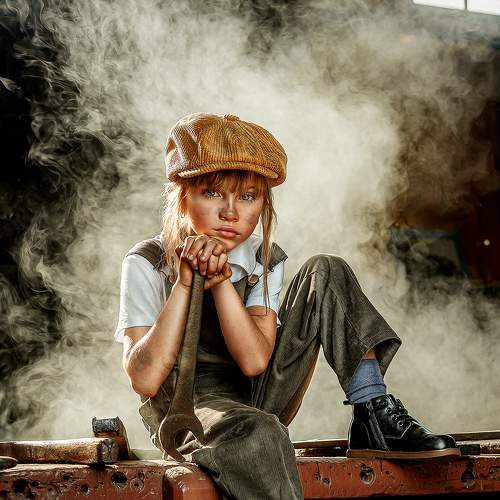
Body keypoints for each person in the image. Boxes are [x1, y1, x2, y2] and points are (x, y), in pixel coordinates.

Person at [114, 112, 459, 500]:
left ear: (263, 204)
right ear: (183, 197)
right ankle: (255, 434)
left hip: (257, 394)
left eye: (247, 197)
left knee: (325, 269)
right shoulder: (146, 262)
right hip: (188, 410)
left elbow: (254, 362)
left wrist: (221, 282)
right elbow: (145, 380)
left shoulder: (263, 259)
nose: (231, 212)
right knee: (260, 432)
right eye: (212, 193)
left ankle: (371, 412)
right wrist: (185, 283)